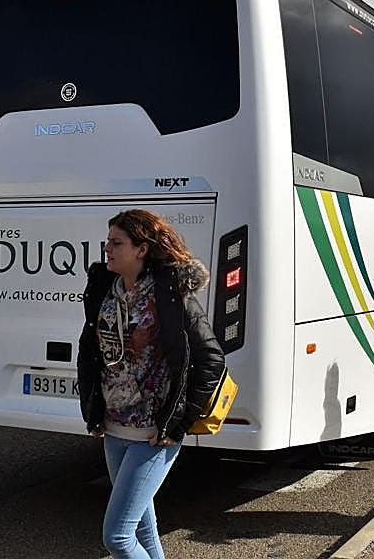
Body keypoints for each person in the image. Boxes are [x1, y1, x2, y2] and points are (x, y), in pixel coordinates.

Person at [77, 209, 225, 559]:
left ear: (142, 249)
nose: (107, 249)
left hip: (154, 434)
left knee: (117, 537)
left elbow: (212, 360)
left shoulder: (170, 297)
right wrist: (93, 408)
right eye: (107, 242)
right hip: (114, 428)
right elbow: (92, 350)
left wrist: (179, 422)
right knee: (143, 528)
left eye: (117, 243)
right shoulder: (104, 290)